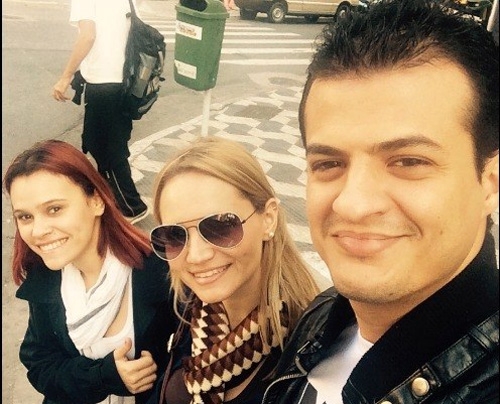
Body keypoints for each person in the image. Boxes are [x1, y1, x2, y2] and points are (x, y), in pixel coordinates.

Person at [262, 0, 500, 403]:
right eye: (328, 163)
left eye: (409, 161)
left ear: (490, 183)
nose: (353, 205)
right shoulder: (323, 316)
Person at [147, 136, 320, 404]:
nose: (196, 256)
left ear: (268, 218)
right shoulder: (190, 306)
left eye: (220, 226)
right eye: (174, 235)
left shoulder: (310, 354)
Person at [3, 140, 178, 404]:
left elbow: (196, 356)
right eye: (25, 217)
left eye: (54, 209)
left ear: (96, 201)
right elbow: (40, 365)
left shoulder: (160, 271)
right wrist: (104, 376)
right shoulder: (46, 278)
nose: (38, 231)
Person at [52, 0, 149, 224]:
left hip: (106, 85)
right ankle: (112, 197)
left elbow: (87, 36)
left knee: (108, 149)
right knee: (97, 143)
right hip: (125, 81)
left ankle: (131, 207)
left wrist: (66, 76)